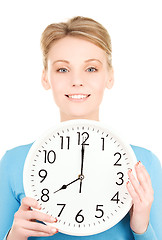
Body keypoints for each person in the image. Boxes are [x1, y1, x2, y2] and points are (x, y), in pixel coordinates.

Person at [0, 16, 161, 240]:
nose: (77, 80)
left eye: (91, 69)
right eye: (63, 70)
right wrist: (13, 236)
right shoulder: (13, 162)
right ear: (46, 78)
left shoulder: (144, 164)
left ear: (110, 76)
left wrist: (142, 227)